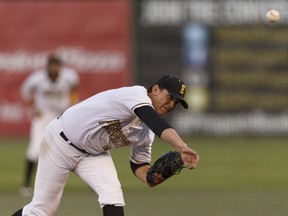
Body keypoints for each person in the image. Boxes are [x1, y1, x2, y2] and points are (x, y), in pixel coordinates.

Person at [12, 74, 199, 216]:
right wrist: (182, 146)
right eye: (170, 97)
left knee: (113, 196)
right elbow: (155, 122)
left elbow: (140, 166)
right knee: (42, 210)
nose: (172, 104)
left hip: (93, 154)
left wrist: (155, 177)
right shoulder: (135, 95)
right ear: (156, 89)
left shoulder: (145, 133)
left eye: (177, 102)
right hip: (60, 141)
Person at [19, 54, 80, 197]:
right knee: (35, 149)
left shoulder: (69, 76)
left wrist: (72, 102)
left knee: (75, 146)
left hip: (62, 115)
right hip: (44, 115)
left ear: (60, 67)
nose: (54, 68)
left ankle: (91, 182)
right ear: (47, 66)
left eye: (56, 66)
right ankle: (26, 184)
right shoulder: (38, 78)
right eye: (52, 65)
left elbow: (74, 87)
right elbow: (25, 90)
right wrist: (33, 108)